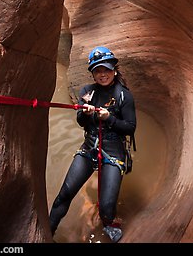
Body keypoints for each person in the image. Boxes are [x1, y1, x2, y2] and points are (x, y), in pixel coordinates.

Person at [49, 46, 137, 243]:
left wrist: (109, 118)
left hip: (114, 152)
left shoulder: (124, 95)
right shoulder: (87, 92)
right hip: (89, 149)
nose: (102, 74)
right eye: (98, 70)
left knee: (106, 207)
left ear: (114, 69)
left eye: (106, 69)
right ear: (92, 73)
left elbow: (130, 128)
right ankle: (46, 232)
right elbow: (81, 122)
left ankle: (108, 223)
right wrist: (85, 114)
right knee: (64, 194)